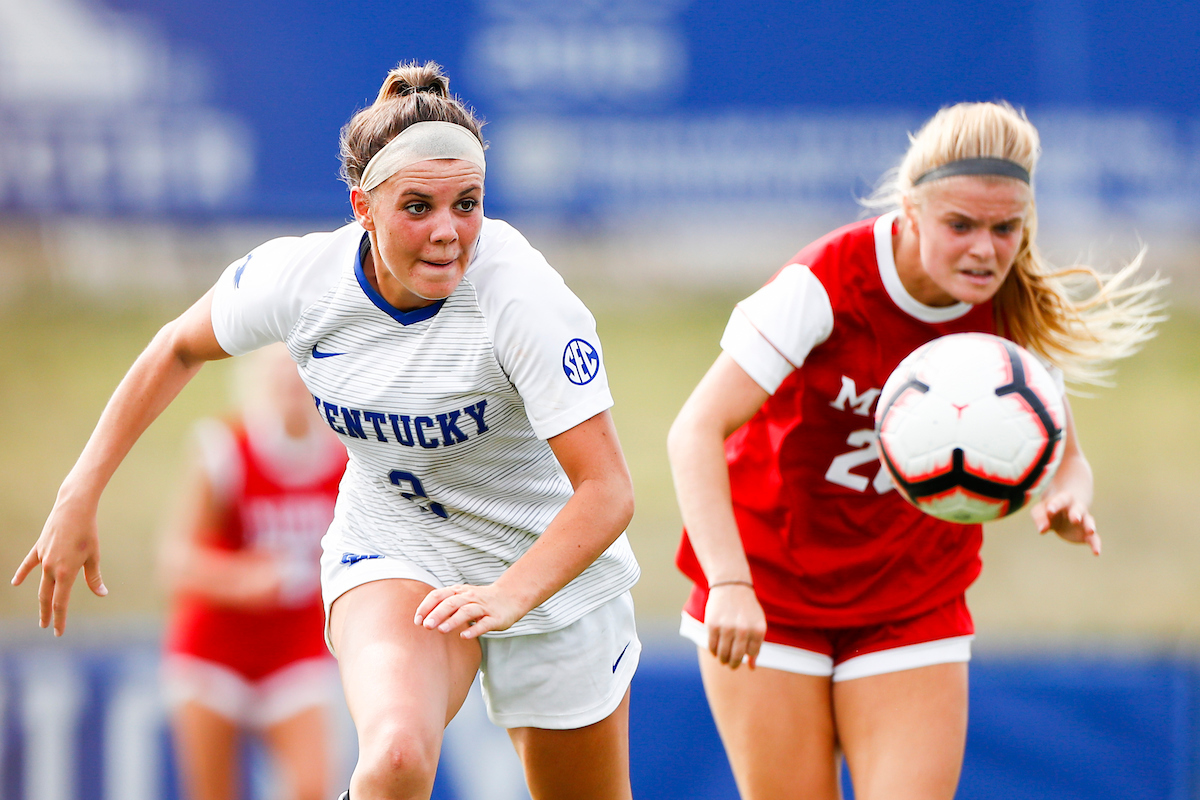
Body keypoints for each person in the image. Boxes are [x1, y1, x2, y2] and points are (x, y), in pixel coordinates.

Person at [13, 61, 640, 800]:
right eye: (417, 207)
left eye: (467, 204)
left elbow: (608, 491)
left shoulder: (523, 298)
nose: (448, 232)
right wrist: (79, 492)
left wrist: (509, 593)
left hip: (553, 568)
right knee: (396, 757)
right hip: (400, 543)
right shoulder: (303, 279)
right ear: (361, 207)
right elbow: (177, 347)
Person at [666, 101, 1162, 800]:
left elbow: (1068, 459)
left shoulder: (1007, 310)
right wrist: (729, 583)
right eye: (961, 225)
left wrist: (1067, 498)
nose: (985, 250)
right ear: (910, 212)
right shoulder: (824, 283)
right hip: (768, 589)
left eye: (1005, 228)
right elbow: (694, 429)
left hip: (912, 598)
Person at [159, 344, 347, 800]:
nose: (291, 383)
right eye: (279, 371)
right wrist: (246, 581)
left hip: (295, 649)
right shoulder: (225, 450)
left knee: (312, 787)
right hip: (214, 649)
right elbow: (176, 560)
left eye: (300, 371)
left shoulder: (348, 457)